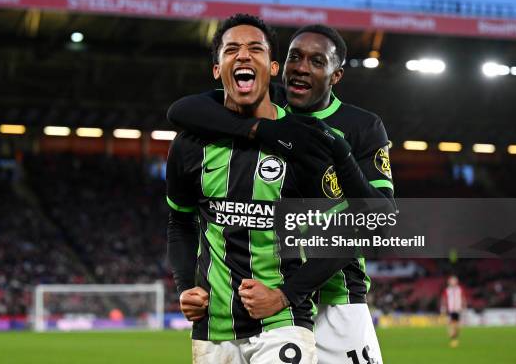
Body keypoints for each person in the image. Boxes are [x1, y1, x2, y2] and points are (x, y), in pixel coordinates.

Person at [167, 23, 396, 364]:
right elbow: (182, 111)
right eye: (295, 57)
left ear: (336, 75)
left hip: (336, 296)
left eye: (317, 61)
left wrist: (339, 151)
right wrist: (261, 128)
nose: (302, 68)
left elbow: (377, 220)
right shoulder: (266, 99)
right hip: (266, 305)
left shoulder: (359, 125)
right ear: (280, 65)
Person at [167, 13, 327, 363]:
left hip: (282, 321)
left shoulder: (303, 142)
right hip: (213, 329)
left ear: (272, 68)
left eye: (255, 48)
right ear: (217, 69)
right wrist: (185, 287)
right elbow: (180, 222)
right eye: (231, 49)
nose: (242, 55)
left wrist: (284, 295)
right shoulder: (189, 145)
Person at [441, 275, 466, 348]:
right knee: (451, 325)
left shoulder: (460, 289)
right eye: (452, 280)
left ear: (457, 282)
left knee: (458, 327)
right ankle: (453, 339)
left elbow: (463, 298)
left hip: (458, 309)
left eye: (454, 280)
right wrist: (443, 307)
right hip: (450, 310)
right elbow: (444, 299)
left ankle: (454, 336)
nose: (453, 282)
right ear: (449, 282)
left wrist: (464, 306)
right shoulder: (447, 290)